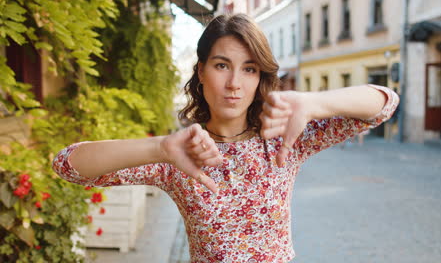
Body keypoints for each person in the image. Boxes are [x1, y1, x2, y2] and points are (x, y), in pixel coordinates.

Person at [53, 14, 399, 263]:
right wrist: (159, 147)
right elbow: (67, 164)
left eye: (249, 68)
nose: (235, 82)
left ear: (259, 76)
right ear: (201, 71)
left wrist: (314, 102)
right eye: (222, 65)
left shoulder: (282, 137)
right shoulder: (180, 155)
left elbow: (384, 104)